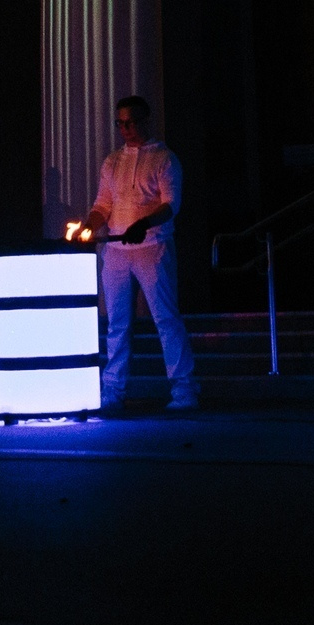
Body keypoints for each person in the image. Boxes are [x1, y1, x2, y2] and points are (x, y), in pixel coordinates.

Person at [77, 95, 197, 411]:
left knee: (166, 319)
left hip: (153, 248)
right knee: (117, 323)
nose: (125, 129)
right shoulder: (112, 162)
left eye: (130, 122)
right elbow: (103, 204)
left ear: (145, 121)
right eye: (120, 123)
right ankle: (113, 391)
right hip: (115, 251)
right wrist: (88, 227)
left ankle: (184, 390)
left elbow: (171, 204)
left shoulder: (165, 159)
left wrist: (144, 224)